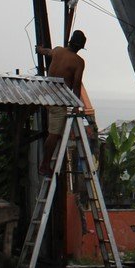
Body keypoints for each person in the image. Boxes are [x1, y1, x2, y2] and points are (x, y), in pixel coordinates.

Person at [37, 30, 87, 174]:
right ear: (80, 46)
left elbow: (47, 52)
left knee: (54, 132)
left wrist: (38, 50)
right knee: (54, 134)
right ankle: (45, 165)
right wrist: (77, 106)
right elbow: (76, 85)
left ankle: (45, 163)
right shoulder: (78, 62)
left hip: (47, 97)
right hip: (60, 101)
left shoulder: (58, 51)